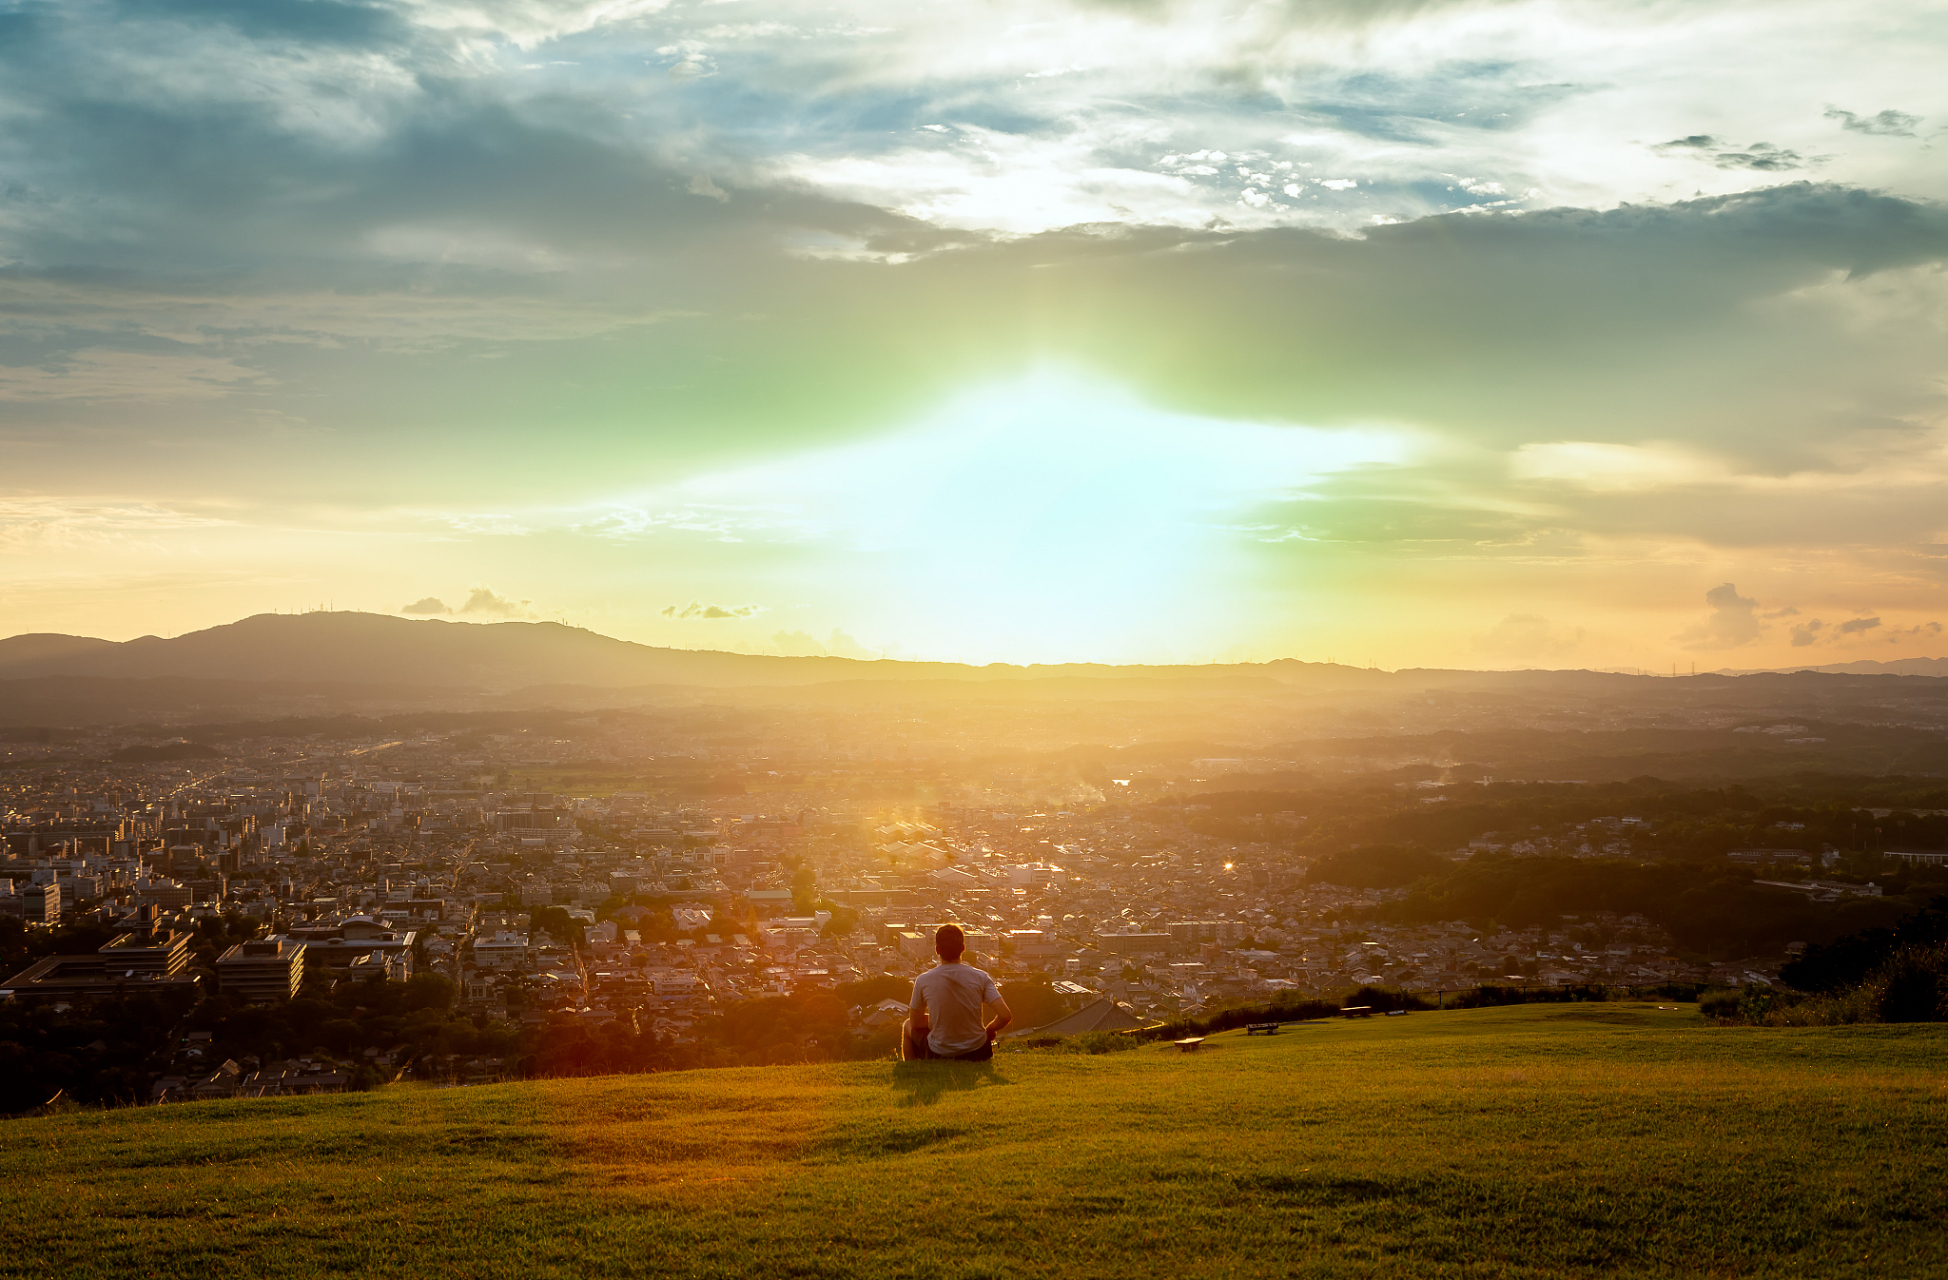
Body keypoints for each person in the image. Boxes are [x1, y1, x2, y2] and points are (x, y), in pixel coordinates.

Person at [902, 923, 1011, 1061]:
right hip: (979, 1050)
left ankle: (912, 1068)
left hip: (940, 1052)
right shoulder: (981, 977)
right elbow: (1005, 1015)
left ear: (937, 950)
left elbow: (915, 1023)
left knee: (906, 1025)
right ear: (963, 948)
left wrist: (940, 1017)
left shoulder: (923, 980)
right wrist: (989, 1030)